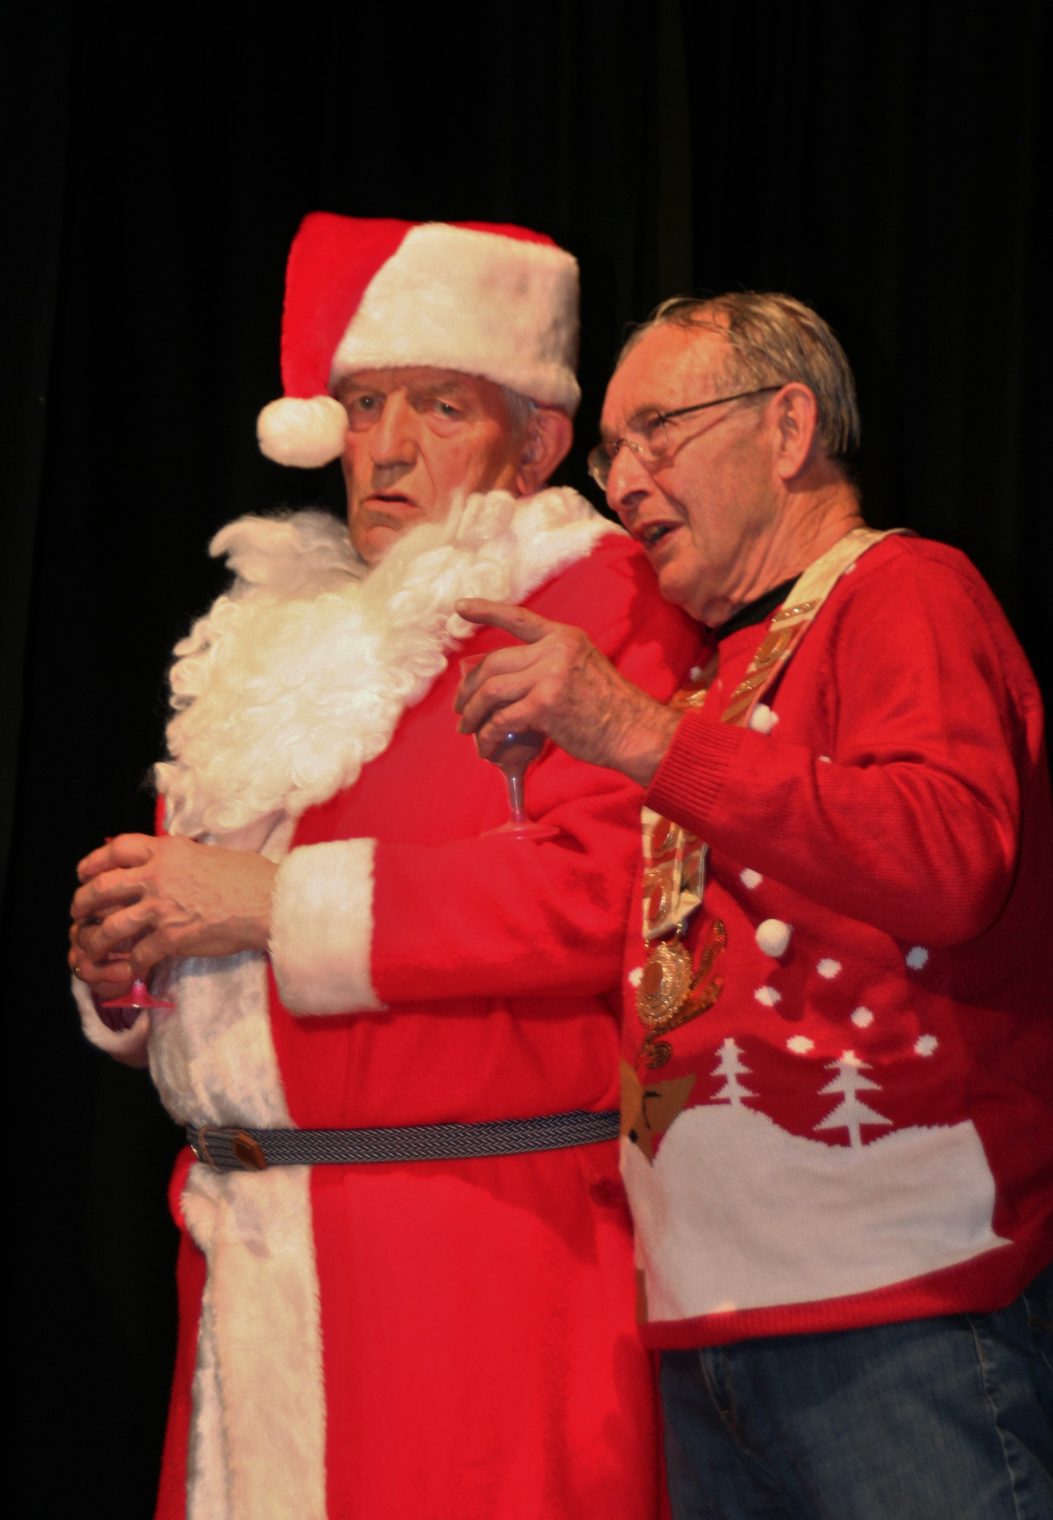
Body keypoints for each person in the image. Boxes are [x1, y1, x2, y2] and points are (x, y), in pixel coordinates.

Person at [68, 215, 700, 1520]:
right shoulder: (267, 637)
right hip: (243, 1249)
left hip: (473, 1251)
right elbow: (213, 931)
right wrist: (132, 963)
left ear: (536, 440)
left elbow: (608, 894)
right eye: (363, 406)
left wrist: (267, 904)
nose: (389, 446)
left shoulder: (593, 600)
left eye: (439, 405)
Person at [456, 292, 1053, 1519]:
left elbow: (951, 857)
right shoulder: (706, 668)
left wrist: (632, 731)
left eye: (658, 430)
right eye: (610, 452)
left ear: (789, 428)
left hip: (901, 1307)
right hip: (705, 1320)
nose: (627, 480)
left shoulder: (905, 588)